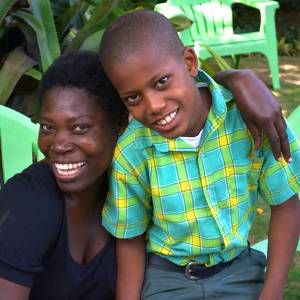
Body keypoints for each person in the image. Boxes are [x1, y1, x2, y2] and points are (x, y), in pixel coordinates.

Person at [100, 10, 300, 300]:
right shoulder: (133, 152)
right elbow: (130, 239)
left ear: (189, 63)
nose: (154, 105)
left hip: (240, 272)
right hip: (167, 279)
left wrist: (272, 291)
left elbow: (286, 203)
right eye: (133, 97)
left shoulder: (247, 120)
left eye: (162, 81)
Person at [0, 50, 128, 300]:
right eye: (48, 127)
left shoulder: (133, 191)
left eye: (79, 128)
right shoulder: (28, 202)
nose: (58, 144)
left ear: (119, 126)